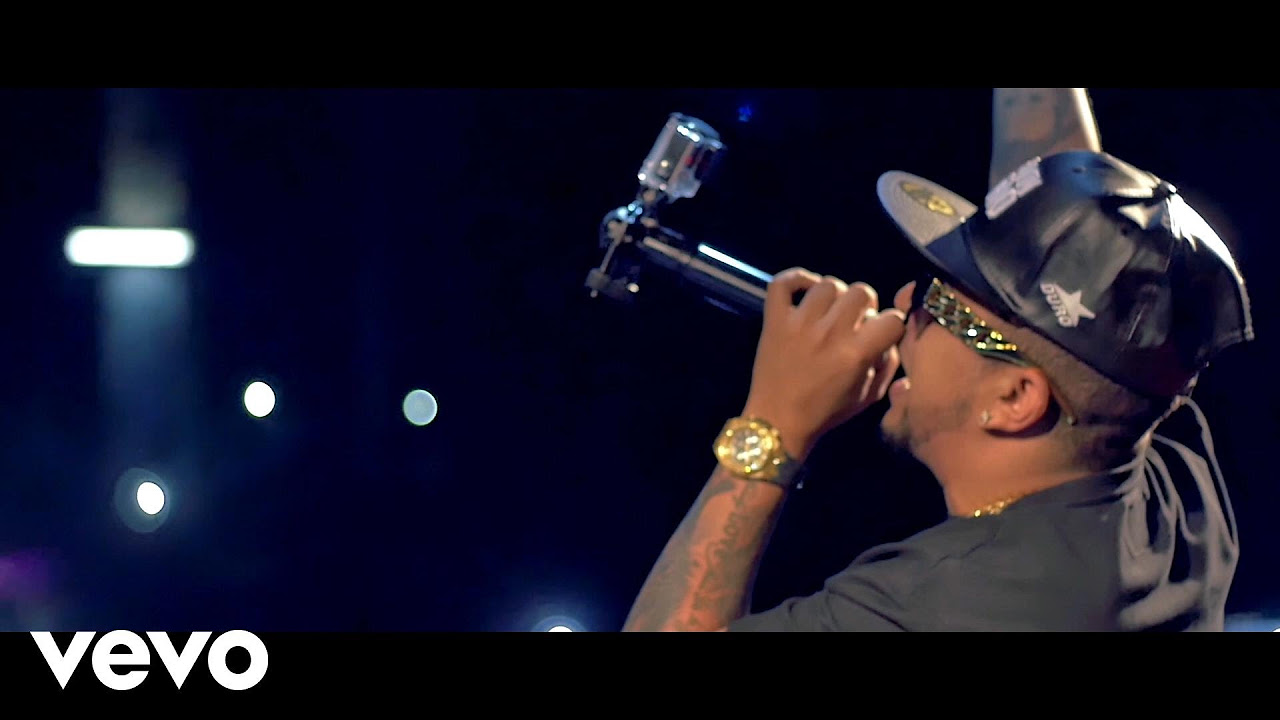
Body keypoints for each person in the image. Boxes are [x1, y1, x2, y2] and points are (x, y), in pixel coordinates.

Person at [620, 89, 1255, 632]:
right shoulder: (1164, 468)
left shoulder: (950, 603)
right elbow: (1072, 221)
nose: (904, 302)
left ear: (1014, 399)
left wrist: (774, 423)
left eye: (939, 304)